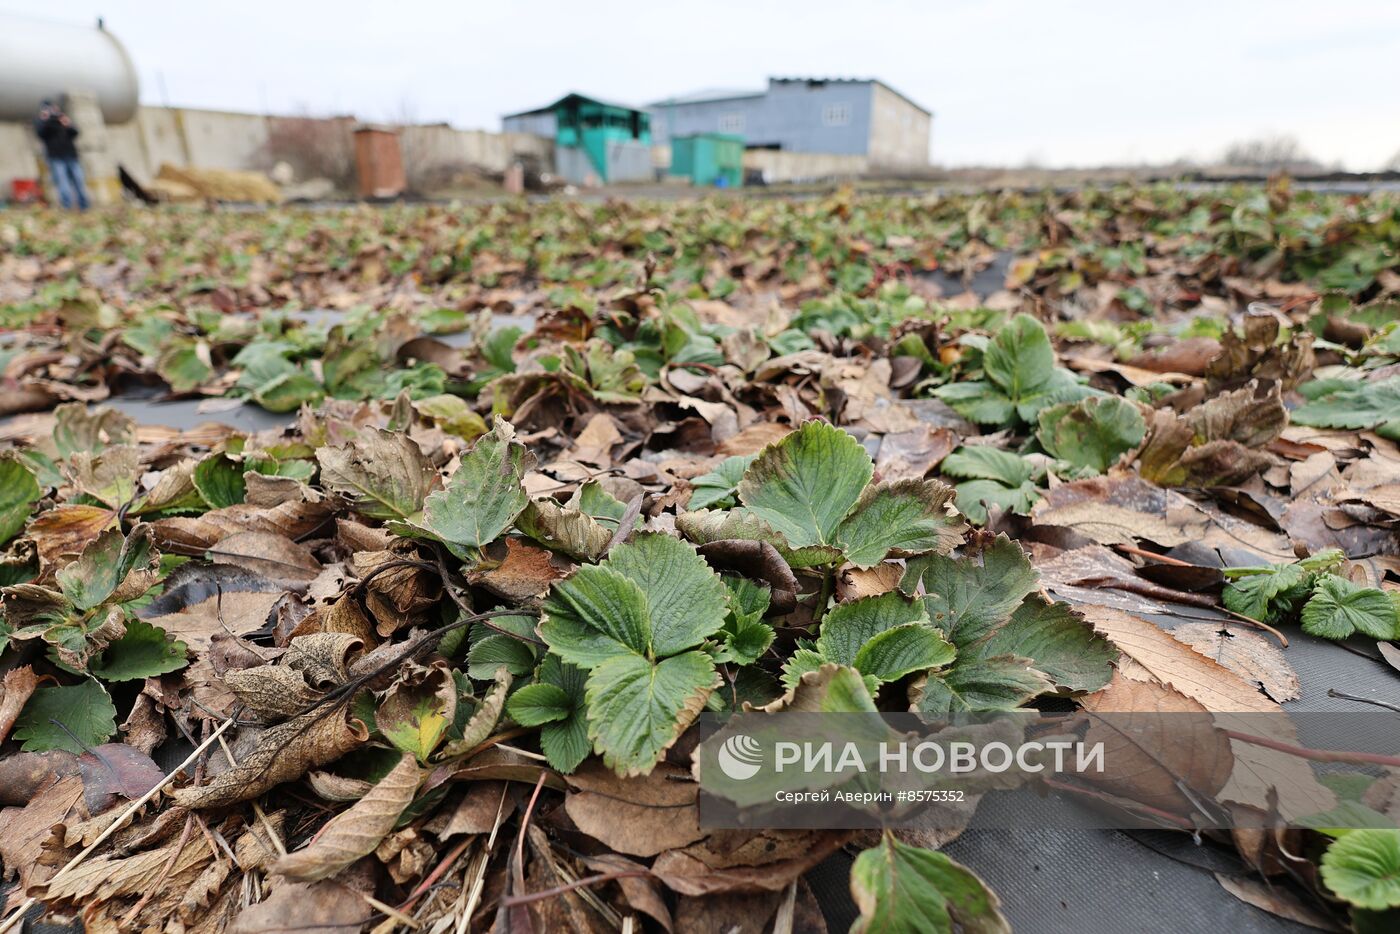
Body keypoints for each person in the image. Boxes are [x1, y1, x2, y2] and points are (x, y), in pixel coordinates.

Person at [33, 101, 90, 210]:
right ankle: (66, 207)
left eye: (53, 108)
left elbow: (75, 133)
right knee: (62, 182)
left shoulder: (62, 119)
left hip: (71, 155)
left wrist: (67, 124)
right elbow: (40, 134)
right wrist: (44, 121)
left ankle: (84, 206)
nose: (51, 112)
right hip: (56, 157)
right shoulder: (42, 122)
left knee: (79, 180)